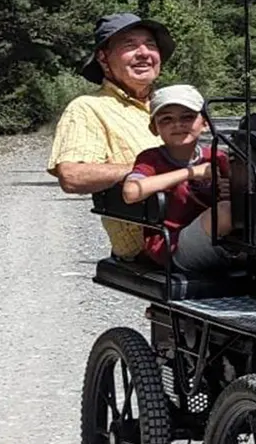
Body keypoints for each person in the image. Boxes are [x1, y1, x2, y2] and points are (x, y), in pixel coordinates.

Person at [46, 13, 173, 260]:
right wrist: (152, 170)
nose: (144, 53)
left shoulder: (169, 106)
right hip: (153, 241)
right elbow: (72, 175)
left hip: (195, 223)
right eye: (130, 45)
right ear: (104, 59)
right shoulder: (89, 108)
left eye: (151, 45)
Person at [121, 85, 234, 273]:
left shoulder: (217, 157)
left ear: (204, 123)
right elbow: (130, 192)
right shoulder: (151, 159)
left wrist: (230, 190)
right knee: (224, 212)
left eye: (187, 117)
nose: (178, 124)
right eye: (167, 119)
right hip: (172, 245)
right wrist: (192, 172)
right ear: (154, 128)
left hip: (217, 238)